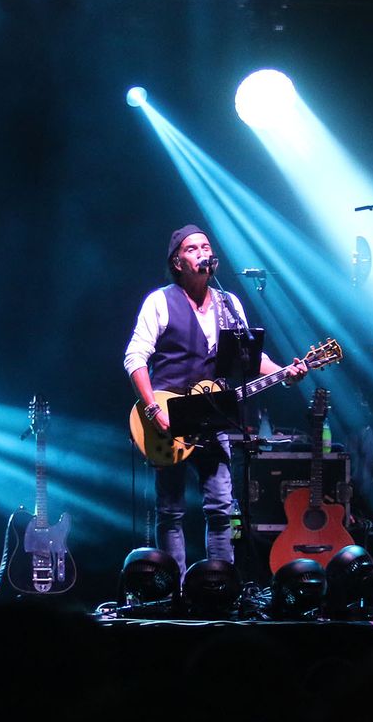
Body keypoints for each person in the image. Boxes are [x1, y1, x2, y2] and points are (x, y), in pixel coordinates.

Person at [123, 225, 306, 573]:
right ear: (177, 262)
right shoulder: (160, 301)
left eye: (206, 246)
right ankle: (173, 590)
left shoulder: (228, 303)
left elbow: (251, 360)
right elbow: (135, 359)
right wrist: (152, 408)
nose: (202, 253)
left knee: (223, 508)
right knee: (171, 511)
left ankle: (220, 587)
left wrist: (285, 372)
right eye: (192, 249)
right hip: (170, 416)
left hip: (214, 415)